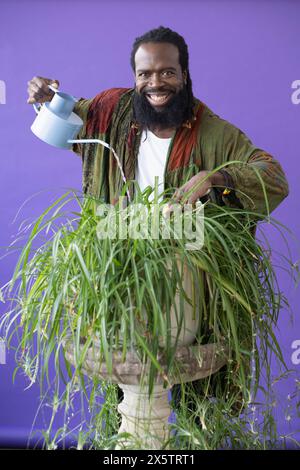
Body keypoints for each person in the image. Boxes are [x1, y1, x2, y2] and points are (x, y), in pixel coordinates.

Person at [27, 26, 289, 423]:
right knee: (123, 405)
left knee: (191, 410)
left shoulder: (212, 132)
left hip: (185, 297)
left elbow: (272, 176)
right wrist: (47, 98)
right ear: (134, 77)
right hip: (119, 288)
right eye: (145, 74)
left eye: (167, 72)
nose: (155, 83)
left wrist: (216, 179)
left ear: (184, 75)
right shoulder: (111, 113)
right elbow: (69, 113)